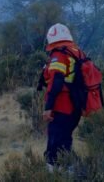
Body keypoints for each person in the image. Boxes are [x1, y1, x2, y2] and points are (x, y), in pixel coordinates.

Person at [41, 23, 84, 172]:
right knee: (65, 141)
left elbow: (57, 82)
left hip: (63, 106)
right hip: (76, 106)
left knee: (54, 143)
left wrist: (48, 107)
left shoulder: (59, 55)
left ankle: (52, 173)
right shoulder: (76, 52)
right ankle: (71, 170)